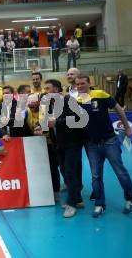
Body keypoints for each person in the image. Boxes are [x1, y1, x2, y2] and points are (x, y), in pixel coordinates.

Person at [76, 75, 132, 217]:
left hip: (109, 141)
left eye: (82, 84)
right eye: (77, 84)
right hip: (91, 144)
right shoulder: (76, 101)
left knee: (120, 172)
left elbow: (118, 109)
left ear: (89, 84)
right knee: (96, 176)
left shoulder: (100, 94)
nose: (79, 86)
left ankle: (131, 198)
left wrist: (127, 127)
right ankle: (99, 204)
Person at [46, 79, 84, 218]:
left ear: (56, 89)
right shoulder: (51, 104)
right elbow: (52, 124)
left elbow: (79, 119)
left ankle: (72, 204)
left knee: (70, 172)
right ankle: (77, 199)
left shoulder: (69, 101)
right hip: (60, 144)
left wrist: (58, 122)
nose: (46, 91)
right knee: (65, 171)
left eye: (48, 88)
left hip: (72, 143)